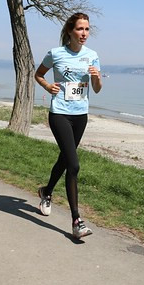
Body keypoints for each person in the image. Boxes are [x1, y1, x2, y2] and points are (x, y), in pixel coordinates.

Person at [34, 12, 102, 239]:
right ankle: (76, 220)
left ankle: (46, 191)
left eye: (87, 29)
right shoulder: (56, 54)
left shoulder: (92, 56)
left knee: (65, 158)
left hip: (80, 115)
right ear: (70, 31)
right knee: (73, 165)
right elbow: (38, 74)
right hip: (60, 113)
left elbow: (97, 88)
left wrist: (96, 77)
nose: (84, 34)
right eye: (80, 29)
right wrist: (47, 86)